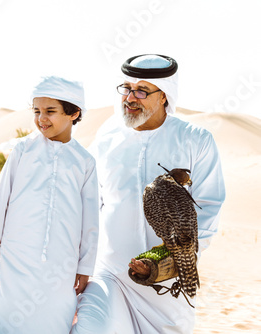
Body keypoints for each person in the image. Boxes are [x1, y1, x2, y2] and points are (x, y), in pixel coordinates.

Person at [71, 54, 226, 334]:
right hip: (112, 274)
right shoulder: (107, 137)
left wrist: (175, 263)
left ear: (164, 96)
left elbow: (209, 206)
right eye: (127, 89)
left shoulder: (195, 139)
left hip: (168, 284)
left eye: (142, 90)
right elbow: (89, 204)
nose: (130, 98)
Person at [0, 76, 99, 333]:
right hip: (15, 256)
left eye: (50, 111)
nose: (41, 119)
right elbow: (0, 200)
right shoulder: (22, 150)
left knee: (53, 319)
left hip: (62, 264)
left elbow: (90, 220)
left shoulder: (85, 161)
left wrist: (85, 266)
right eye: (36, 111)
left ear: (74, 113)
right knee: (8, 319)